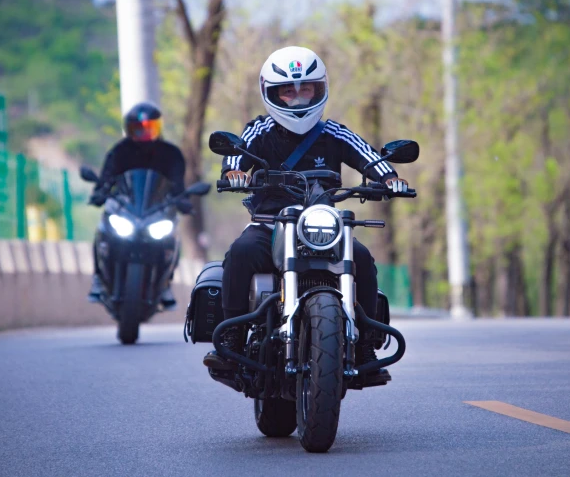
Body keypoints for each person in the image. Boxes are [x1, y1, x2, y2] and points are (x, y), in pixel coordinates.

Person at [203, 46, 409, 386]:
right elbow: (236, 157)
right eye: (288, 90)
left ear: (320, 89)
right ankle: (232, 339)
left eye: (306, 89)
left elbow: (368, 156)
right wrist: (233, 174)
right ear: (271, 93)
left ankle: (366, 347)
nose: (298, 98)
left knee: (361, 258)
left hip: (323, 226)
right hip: (270, 224)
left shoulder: (334, 133)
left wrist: (390, 179)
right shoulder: (259, 131)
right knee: (239, 254)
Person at [87, 102, 187, 310]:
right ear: (129, 129)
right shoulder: (119, 152)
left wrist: (183, 199)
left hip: (156, 212)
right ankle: (98, 278)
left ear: (158, 128)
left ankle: (166, 282)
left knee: (173, 237)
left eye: (150, 128)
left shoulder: (171, 154)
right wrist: (99, 192)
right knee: (102, 231)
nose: (144, 134)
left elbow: (178, 184)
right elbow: (106, 178)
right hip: (126, 210)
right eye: (138, 129)